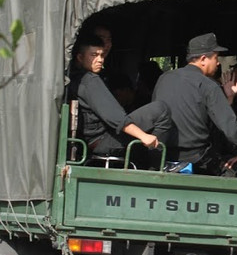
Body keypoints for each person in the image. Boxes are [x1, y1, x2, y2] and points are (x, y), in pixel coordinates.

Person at [153, 33, 237, 174]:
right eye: (216, 58)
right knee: (231, 170)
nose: (218, 63)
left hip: (161, 156)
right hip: (196, 160)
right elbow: (228, 124)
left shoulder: (164, 78)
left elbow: (154, 111)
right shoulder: (208, 85)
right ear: (203, 59)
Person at [67, 35, 172, 165]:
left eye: (102, 55)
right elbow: (115, 118)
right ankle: (156, 166)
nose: (100, 60)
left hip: (92, 141)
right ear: (80, 57)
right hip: (102, 141)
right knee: (160, 109)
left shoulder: (74, 78)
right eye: (93, 55)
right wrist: (143, 136)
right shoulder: (90, 80)